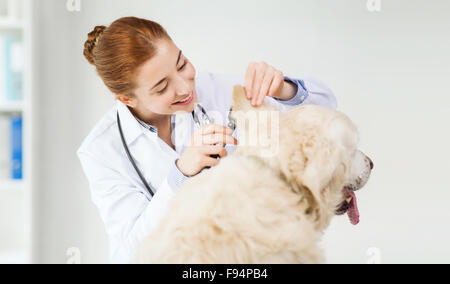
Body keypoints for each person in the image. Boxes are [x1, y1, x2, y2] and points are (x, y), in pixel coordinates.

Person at [77, 16, 337, 264]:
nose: (185, 88)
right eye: (162, 87)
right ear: (126, 99)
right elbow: (133, 250)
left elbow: (326, 113)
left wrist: (284, 90)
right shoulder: (101, 150)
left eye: (181, 64)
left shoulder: (214, 90)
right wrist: (180, 175)